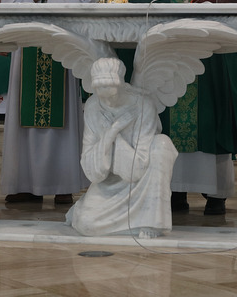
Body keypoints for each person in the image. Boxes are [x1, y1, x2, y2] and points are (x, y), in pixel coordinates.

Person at [108, 0, 237, 216]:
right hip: (168, 51)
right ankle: (173, 189)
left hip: (207, 53)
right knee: (166, 118)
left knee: (209, 118)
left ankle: (215, 193)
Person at [0, 0, 94, 204]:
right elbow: (6, 5)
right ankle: (24, 185)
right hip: (28, 49)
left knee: (63, 120)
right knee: (24, 120)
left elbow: (88, 4)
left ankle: (63, 185)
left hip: (63, 50)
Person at [66, 58, 178, 238]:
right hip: (108, 179)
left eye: (111, 94)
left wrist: (115, 138)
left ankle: (150, 220)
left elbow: (138, 168)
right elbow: (90, 166)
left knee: (162, 144)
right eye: (101, 93)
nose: (107, 101)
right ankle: (118, 221)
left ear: (120, 85)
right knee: (86, 225)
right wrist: (113, 132)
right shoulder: (94, 106)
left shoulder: (142, 105)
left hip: (141, 181)